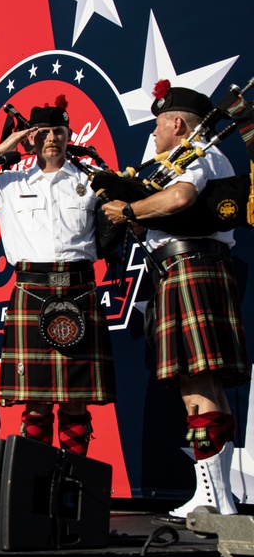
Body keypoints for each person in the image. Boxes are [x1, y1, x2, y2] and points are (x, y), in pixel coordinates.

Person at [100, 83, 248, 523]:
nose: (156, 132)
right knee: (200, 385)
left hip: (190, 267)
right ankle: (212, 494)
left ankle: (217, 498)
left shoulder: (195, 153)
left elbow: (181, 198)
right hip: (184, 267)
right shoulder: (188, 157)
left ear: (177, 123)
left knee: (198, 382)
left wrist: (129, 210)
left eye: (159, 123)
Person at [0, 97, 115, 457]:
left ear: (69, 135)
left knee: (74, 402)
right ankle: (34, 480)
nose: (52, 138)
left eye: (59, 131)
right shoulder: (7, 183)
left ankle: (72, 480)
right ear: (31, 139)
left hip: (80, 288)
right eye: (43, 132)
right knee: (36, 403)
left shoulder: (91, 180)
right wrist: (7, 145)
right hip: (32, 291)